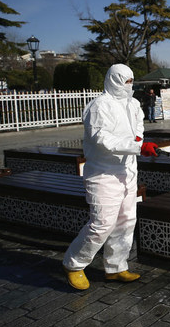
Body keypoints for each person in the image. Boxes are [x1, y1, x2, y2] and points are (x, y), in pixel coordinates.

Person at [63, 64, 158, 290]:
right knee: (102, 223)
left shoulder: (133, 104)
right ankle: (74, 264)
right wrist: (138, 147)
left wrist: (138, 142)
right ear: (113, 80)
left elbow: (138, 130)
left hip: (127, 171)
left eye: (131, 80)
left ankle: (116, 267)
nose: (129, 85)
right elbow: (102, 139)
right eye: (125, 81)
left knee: (126, 221)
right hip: (103, 173)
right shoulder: (98, 106)